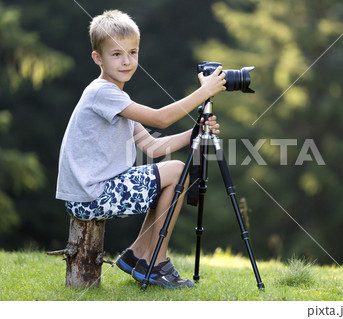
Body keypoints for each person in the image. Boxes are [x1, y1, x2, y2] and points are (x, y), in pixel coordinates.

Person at [55, 9, 226, 288]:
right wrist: (205, 91)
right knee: (176, 170)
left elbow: (153, 146)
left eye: (133, 52)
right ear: (97, 58)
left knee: (169, 173)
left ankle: (137, 256)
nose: (127, 61)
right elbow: (160, 118)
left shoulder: (118, 98)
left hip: (94, 192)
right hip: (91, 196)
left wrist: (195, 132)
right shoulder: (102, 92)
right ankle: (154, 263)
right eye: (117, 54)